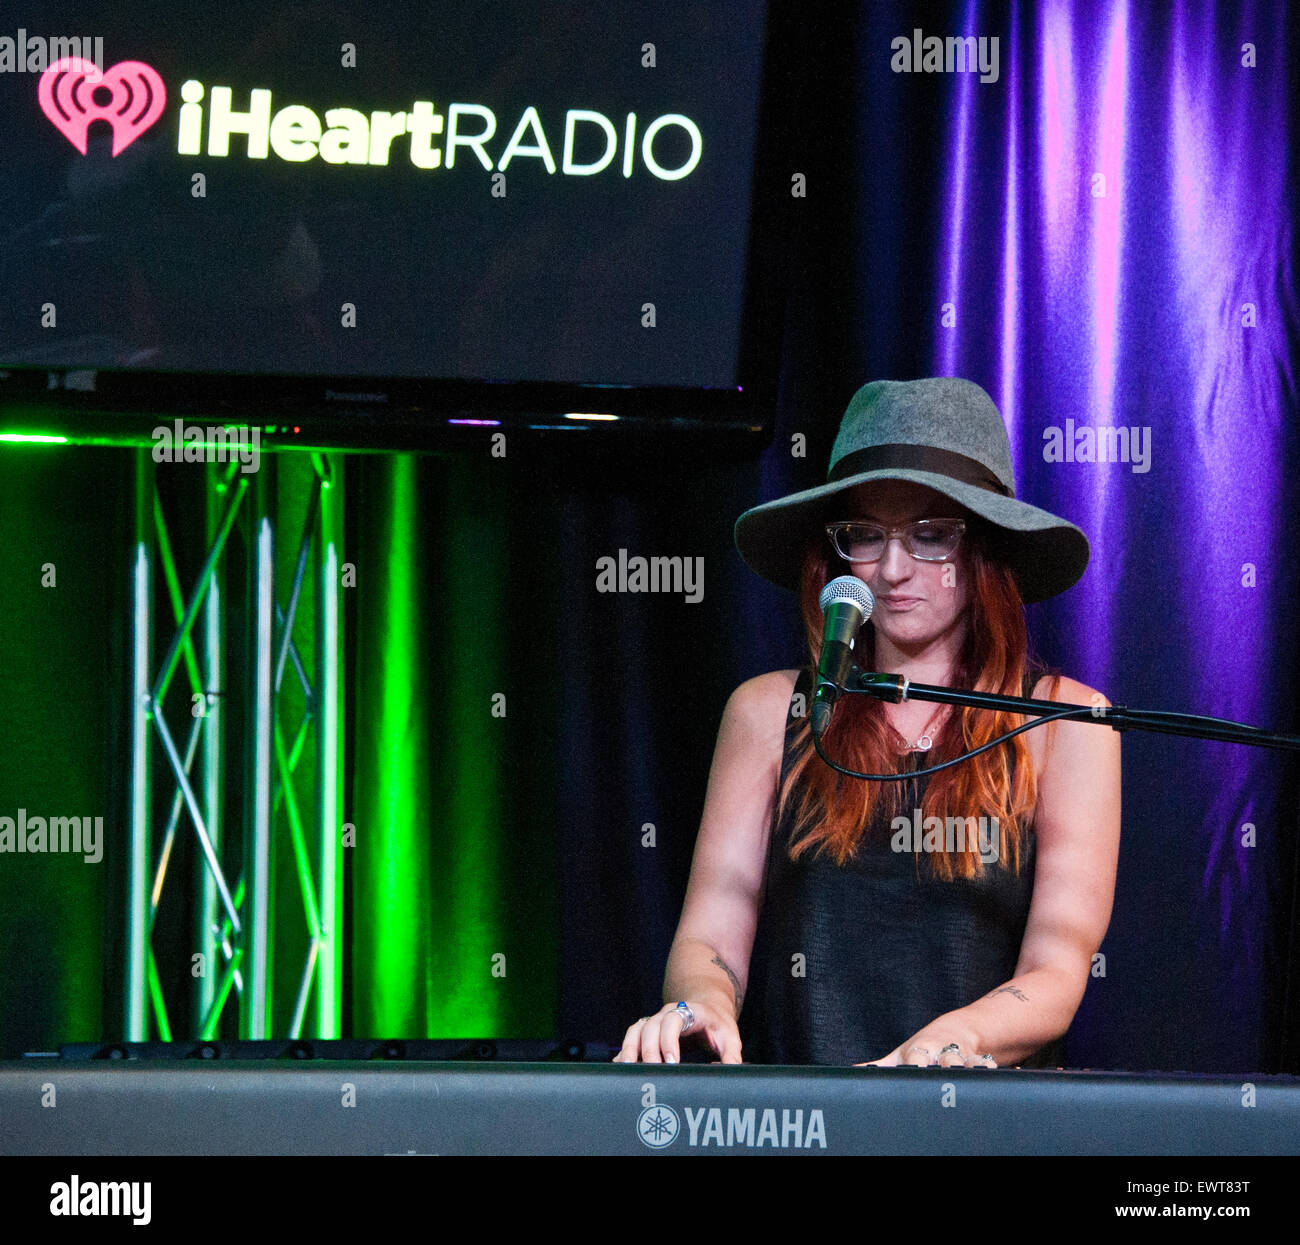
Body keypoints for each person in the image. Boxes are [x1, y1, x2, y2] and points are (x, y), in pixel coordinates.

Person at [616, 377, 1121, 1067]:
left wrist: (943, 1046)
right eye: (865, 535)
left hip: (981, 1129)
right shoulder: (770, 711)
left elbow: (1058, 970)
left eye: (929, 535)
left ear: (984, 553)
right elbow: (710, 936)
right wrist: (700, 1002)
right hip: (804, 1129)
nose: (891, 566)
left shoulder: (1067, 721)